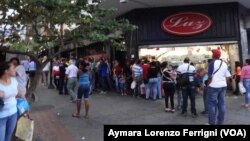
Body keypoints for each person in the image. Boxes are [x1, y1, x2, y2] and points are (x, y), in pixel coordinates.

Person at [0, 61, 25, 141]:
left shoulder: (14, 80)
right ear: (6, 71)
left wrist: (25, 106)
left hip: (13, 113)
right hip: (1, 116)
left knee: (8, 137)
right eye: (13, 68)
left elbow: (19, 93)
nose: (15, 70)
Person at [207, 49, 231, 125]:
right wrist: (224, 84)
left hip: (213, 86)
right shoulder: (224, 64)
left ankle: (212, 123)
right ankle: (220, 122)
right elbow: (228, 76)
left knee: (212, 104)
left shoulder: (211, 63)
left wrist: (207, 84)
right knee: (222, 104)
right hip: (223, 86)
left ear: (213, 55)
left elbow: (210, 76)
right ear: (219, 56)